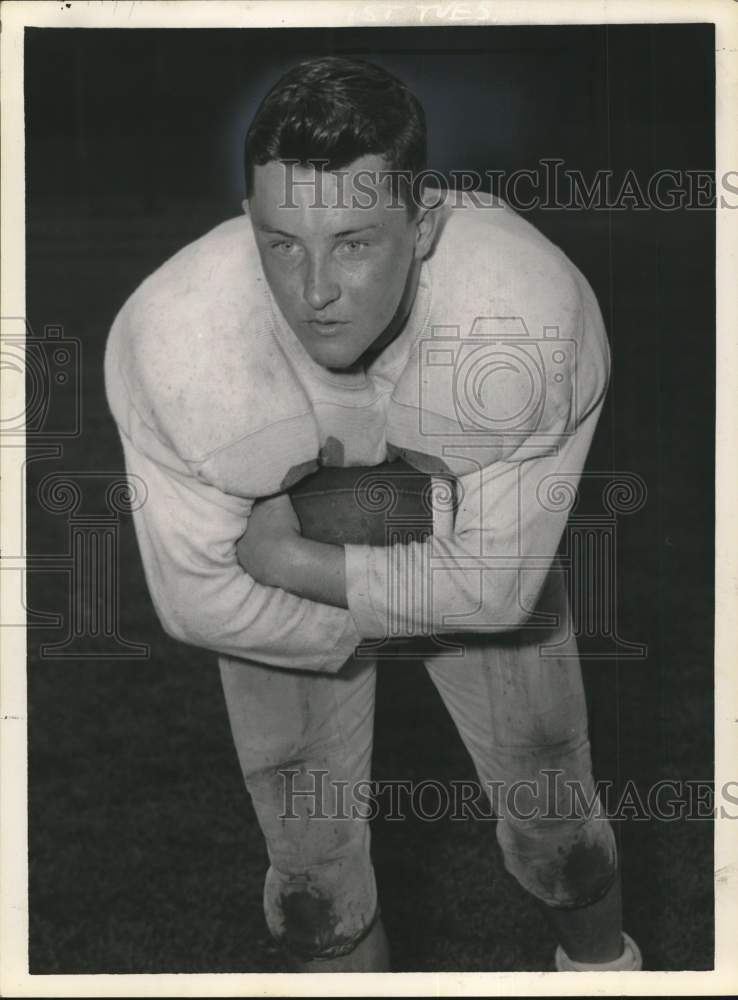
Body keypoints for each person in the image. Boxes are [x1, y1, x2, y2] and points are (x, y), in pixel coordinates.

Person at [104, 55, 642, 973]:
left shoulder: (521, 319)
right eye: (282, 242)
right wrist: (397, 601)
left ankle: (606, 975)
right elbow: (194, 605)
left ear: (424, 222)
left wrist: (298, 562)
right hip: (393, 553)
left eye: (353, 242)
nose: (313, 290)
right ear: (248, 224)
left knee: (561, 833)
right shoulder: (177, 338)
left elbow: (499, 595)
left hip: (358, 548)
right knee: (314, 888)